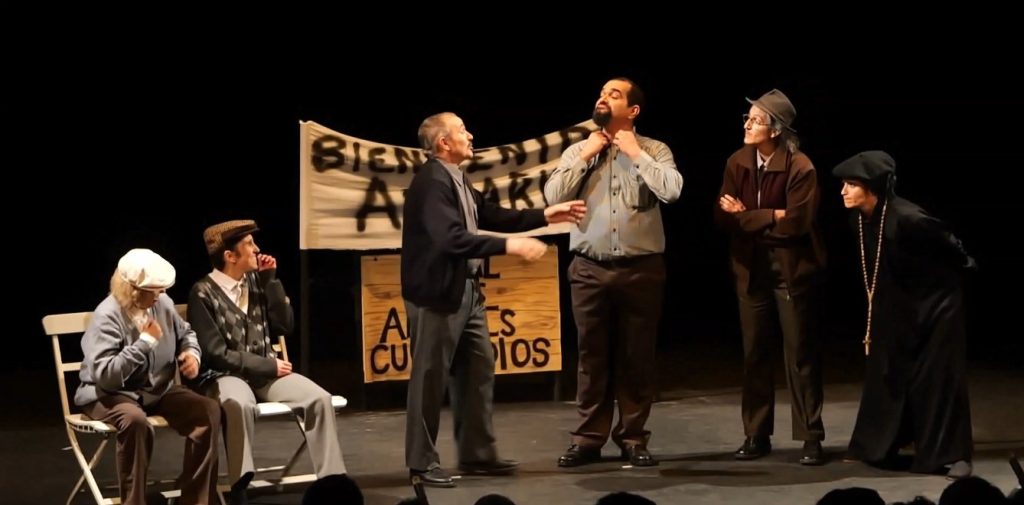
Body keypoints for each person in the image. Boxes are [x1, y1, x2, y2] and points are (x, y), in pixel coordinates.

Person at [402, 112, 586, 487]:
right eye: (462, 130)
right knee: (429, 379)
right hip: (437, 294)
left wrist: (545, 216)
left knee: (478, 369)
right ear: (443, 143)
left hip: (467, 290)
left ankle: (477, 454)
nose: (470, 135)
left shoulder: (456, 177)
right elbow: (451, 239)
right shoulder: (431, 182)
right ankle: (421, 462)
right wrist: (510, 246)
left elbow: (489, 214)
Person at [544, 77, 682, 467]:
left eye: (614, 94)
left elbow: (672, 190)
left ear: (633, 110)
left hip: (641, 270)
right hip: (589, 269)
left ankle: (633, 437)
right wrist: (587, 155)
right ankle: (588, 439)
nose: (603, 97)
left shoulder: (654, 149)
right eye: (602, 93)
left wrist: (636, 153)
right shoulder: (579, 149)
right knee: (592, 357)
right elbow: (552, 198)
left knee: (636, 357)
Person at [833, 151, 974, 478]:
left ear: (873, 187)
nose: (843, 191)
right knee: (889, 371)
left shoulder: (909, 218)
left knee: (937, 379)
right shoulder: (860, 220)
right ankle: (879, 444)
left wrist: (951, 280)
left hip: (937, 306)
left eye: (852, 184)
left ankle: (953, 455)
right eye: (844, 184)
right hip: (899, 307)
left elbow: (954, 250)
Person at [186, 220, 347, 504]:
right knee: (238, 404)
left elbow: (285, 325)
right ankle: (240, 485)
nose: (257, 249)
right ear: (230, 256)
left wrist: (271, 281)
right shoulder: (202, 293)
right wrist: (267, 366)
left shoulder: (257, 282)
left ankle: (333, 483)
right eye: (249, 244)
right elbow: (215, 353)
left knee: (319, 399)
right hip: (225, 375)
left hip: (266, 374)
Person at [714, 88, 826, 465]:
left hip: (790, 269)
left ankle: (810, 436)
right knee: (755, 353)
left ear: (775, 130)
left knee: (800, 355)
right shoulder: (737, 161)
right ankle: (756, 433)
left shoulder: (800, 167)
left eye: (756, 120)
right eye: (747, 119)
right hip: (750, 269)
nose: (747, 125)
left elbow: (796, 224)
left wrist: (748, 216)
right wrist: (770, 215)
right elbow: (723, 217)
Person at [75, 248, 221, 505]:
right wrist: (144, 344)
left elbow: (186, 334)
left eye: (162, 290)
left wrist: (191, 354)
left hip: (155, 390)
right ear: (133, 291)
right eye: (154, 290)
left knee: (207, 411)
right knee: (135, 421)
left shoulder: (162, 304)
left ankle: (196, 500)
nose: (161, 294)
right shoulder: (107, 315)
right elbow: (106, 376)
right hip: (109, 393)